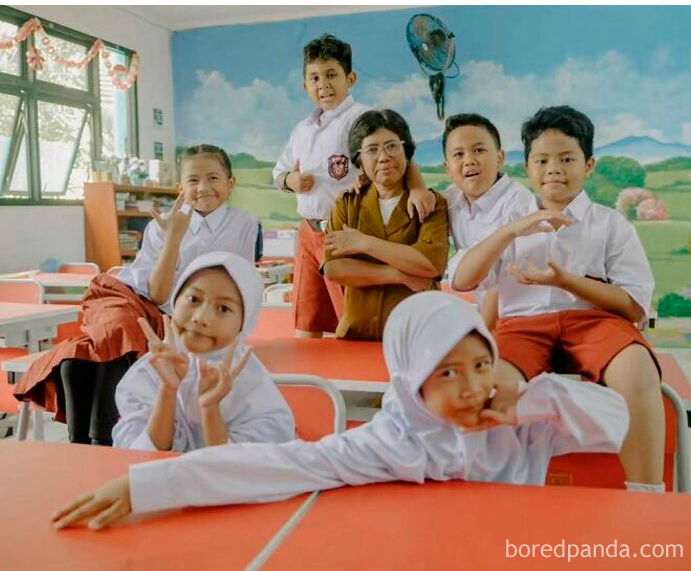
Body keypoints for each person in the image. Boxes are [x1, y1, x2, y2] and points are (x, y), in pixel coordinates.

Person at [51, 292, 628, 531]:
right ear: (411, 385)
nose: (473, 386)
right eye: (446, 373)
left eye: (481, 365)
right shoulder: (391, 442)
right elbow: (272, 465)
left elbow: (615, 422)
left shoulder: (524, 428)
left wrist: (530, 404)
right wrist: (147, 484)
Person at [451, 105, 665, 491]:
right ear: (527, 167)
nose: (554, 169)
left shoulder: (609, 224)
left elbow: (632, 305)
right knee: (488, 384)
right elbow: (463, 279)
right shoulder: (510, 223)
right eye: (542, 160)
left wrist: (568, 281)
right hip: (522, 328)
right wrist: (512, 230)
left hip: (596, 323)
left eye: (567, 158)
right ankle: (489, 494)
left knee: (637, 366)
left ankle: (647, 492)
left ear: (589, 165)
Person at [15, 145, 259, 446]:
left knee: (77, 360)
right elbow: (156, 293)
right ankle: (104, 443)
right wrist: (173, 238)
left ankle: (84, 445)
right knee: (121, 332)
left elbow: (240, 281)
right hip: (123, 296)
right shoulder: (162, 226)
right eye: (193, 181)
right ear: (180, 187)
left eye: (213, 178)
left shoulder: (244, 222)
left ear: (230, 183)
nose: (204, 188)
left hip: (162, 315)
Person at [272, 34, 435, 338]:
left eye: (332, 75)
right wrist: (289, 180)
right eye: (315, 77)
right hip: (307, 230)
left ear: (350, 78)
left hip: (345, 230)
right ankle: (310, 380)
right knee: (306, 320)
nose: (324, 84)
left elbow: (398, 152)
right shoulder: (302, 129)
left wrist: (417, 188)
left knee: (351, 320)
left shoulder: (361, 116)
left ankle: (358, 381)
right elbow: (278, 173)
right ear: (304, 85)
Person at [112, 251, 294, 451]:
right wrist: (168, 391)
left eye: (224, 308)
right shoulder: (152, 368)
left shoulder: (251, 384)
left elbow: (245, 470)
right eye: (193, 299)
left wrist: (210, 409)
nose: (201, 317)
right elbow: (139, 458)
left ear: (244, 323)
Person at [323, 109, 449, 339]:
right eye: (372, 150)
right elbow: (334, 268)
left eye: (392, 146)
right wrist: (398, 274)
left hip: (418, 337)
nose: (383, 157)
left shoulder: (432, 203)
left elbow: (430, 265)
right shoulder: (347, 204)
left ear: (406, 151)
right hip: (355, 336)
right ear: (359, 160)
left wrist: (362, 242)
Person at [443, 113, 536, 327]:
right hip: (485, 316)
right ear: (447, 167)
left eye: (478, 150)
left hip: (522, 320)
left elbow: (465, 280)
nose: (469, 161)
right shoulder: (453, 200)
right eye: (458, 154)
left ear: (500, 157)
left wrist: (481, 338)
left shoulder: (520, 206)